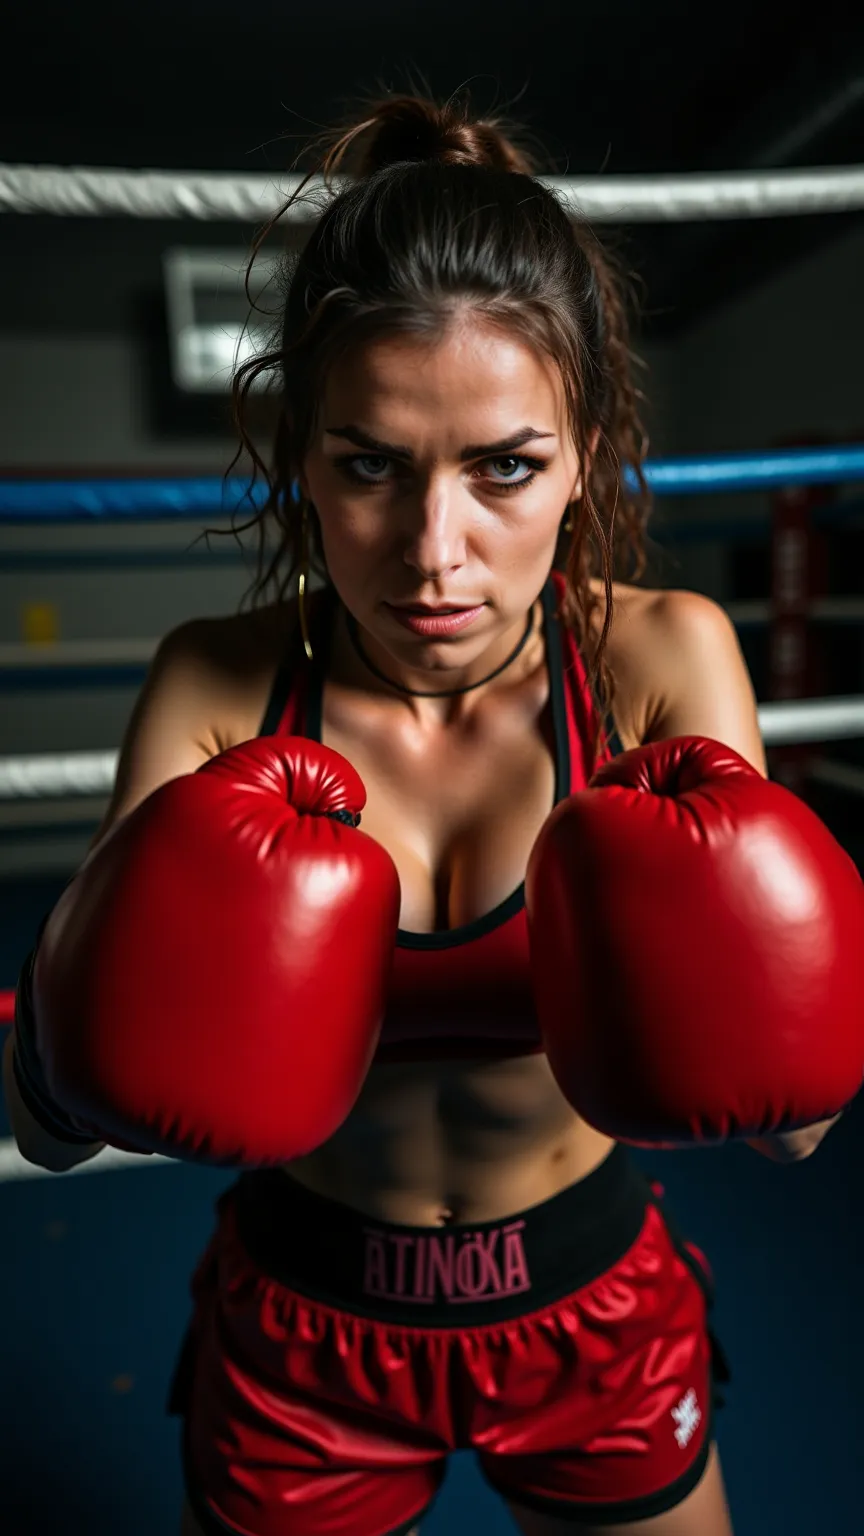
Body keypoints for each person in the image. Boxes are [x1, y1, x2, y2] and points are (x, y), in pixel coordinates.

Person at [4, 93, 861, 1536]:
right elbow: (55, 1117)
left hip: (595, 1307)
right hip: (302, 1330)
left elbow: (795, 1127)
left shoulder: (659, 662)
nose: (433, 553)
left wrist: (777, 1031)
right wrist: (72, 1067)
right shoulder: (218, 687)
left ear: (584, 453)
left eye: (504, 468)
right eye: (370, 466)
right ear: (304, 463)